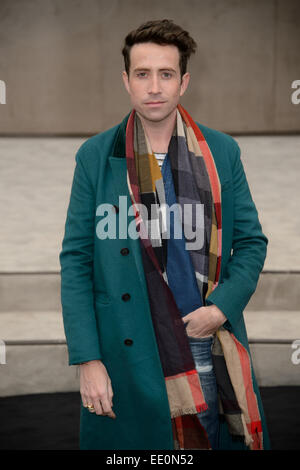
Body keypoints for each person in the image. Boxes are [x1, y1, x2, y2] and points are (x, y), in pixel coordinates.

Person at [59, 19, 271, 450]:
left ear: (184, 81)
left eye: (166, 74)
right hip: (126, 344)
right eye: (142, 74)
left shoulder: (221, 152)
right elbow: (76, 262)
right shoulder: (96, 156)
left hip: (201, 336)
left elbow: (251, 243)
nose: (154, 86)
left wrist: (221, 309)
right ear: (126, 80)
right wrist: (87, 359)